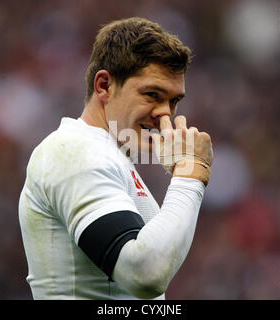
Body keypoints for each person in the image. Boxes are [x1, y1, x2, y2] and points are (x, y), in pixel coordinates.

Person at [18, 17, 214, 300]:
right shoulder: (74, 150)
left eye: (173, 101)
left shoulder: (109, 157)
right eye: (152, 94)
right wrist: (191, 173)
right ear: (104, 86)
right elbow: (145, 274)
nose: (165, 113)